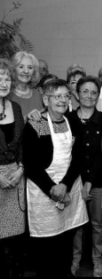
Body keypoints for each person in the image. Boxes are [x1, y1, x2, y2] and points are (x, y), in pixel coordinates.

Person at [22, 79, 89, 277]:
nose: (62, 100)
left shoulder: (73, 122)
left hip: (68, 188)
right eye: (56, 96)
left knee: (65, 241)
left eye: (65, 96)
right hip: (44, 191)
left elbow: (77, 159)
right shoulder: (36, 123)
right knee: (45, 246)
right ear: (45, 99)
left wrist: (65, 186)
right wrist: (52, 189)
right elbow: (31, 164)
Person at [64, 76, 102, 277]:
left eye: (93, 92)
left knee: (98, 223)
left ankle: (98, 261)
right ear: (77, 94)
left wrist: (89, 181)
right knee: (76, 224)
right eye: (85, 91)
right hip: (72, 181)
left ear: (98, 95)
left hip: (97, 180)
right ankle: (75, 261)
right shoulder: (67, 119)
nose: (89, 96)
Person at [0, 59, 26, 278]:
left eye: (7, 78)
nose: (4, 82)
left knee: (15, 238)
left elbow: (22, 144)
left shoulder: (15, 107)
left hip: (16, 176)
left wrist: (21, 169)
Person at [9, 51, 43, 118]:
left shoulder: (38, 95)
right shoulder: (7, 95)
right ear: (13, 70)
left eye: (30, 67)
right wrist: (26, 118)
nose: (26, 71)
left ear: (34, 72)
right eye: (21, 67)